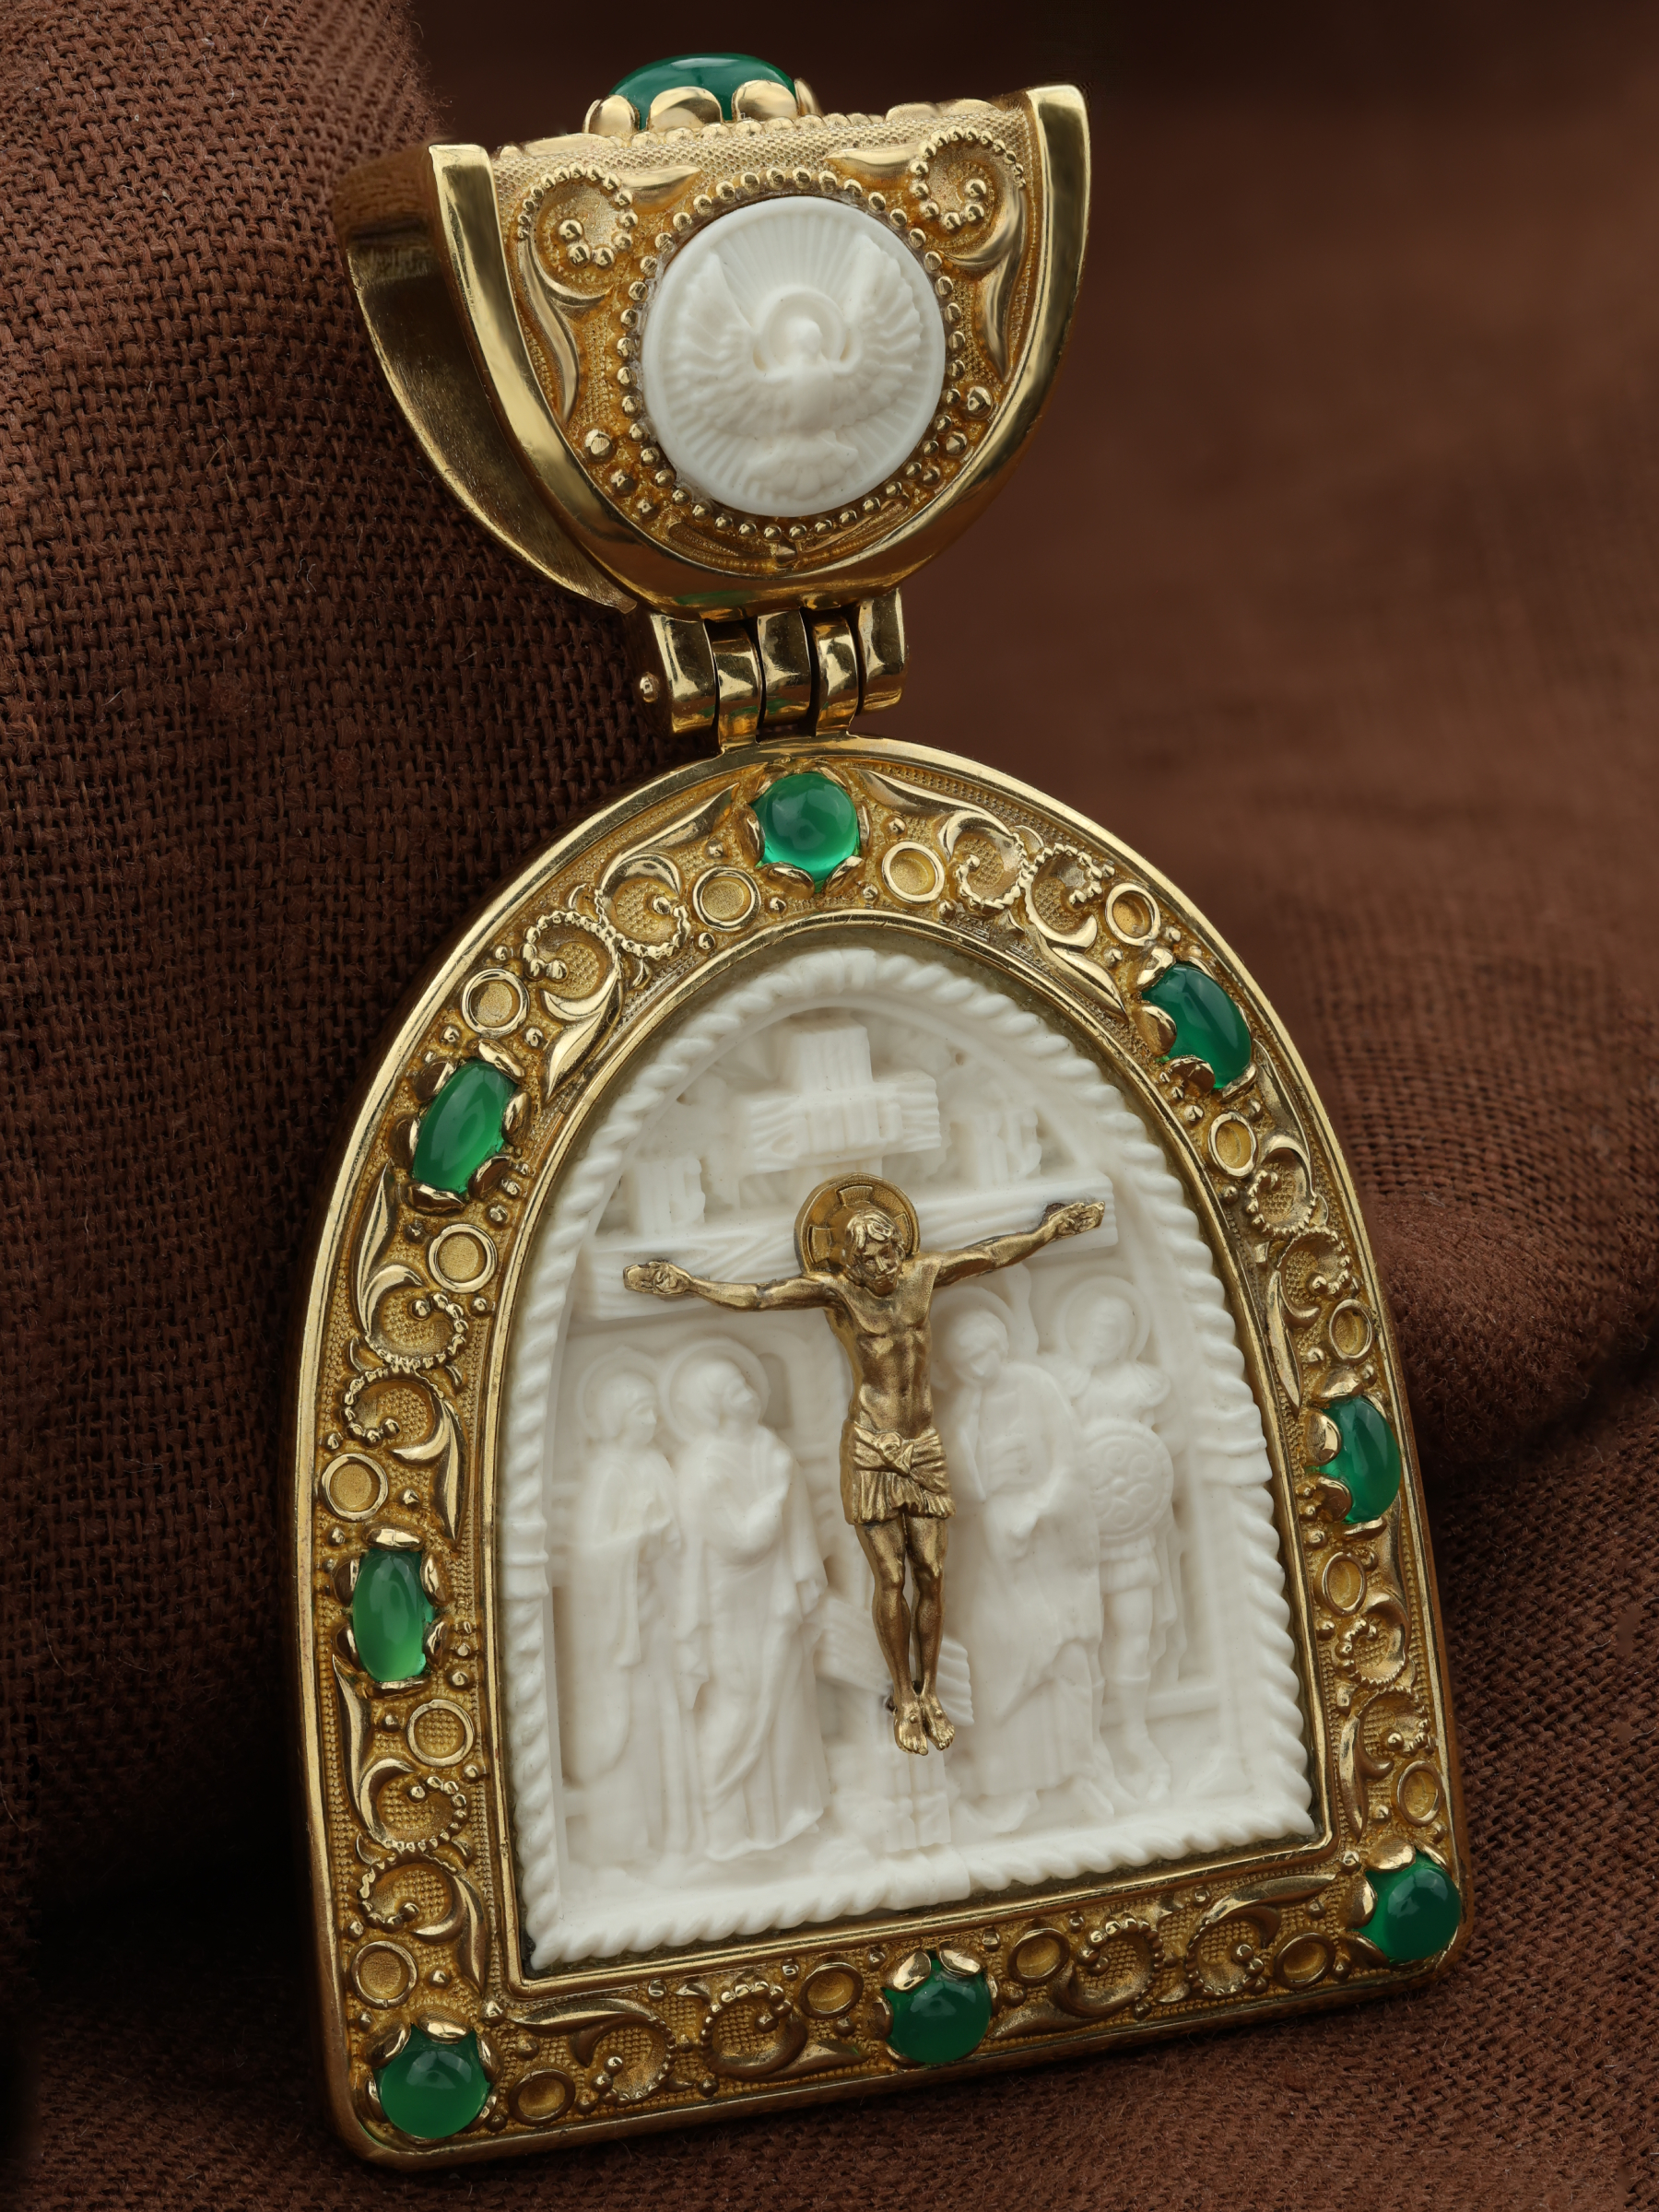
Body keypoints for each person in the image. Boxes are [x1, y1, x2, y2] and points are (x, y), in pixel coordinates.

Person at [626, 1175, 1105, 1754]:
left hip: (922, 1444)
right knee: (892, 1578)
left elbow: (992, 1253)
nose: (881, 1264)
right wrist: (688, 1284)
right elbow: (759, 1296)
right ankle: (903, 1695)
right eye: (868, 1256)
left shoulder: (923, 1276)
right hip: (874, 1449)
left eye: (887, 1251)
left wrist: (1051, 1230)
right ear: (850, 1261)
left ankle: (930, 1692)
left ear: (900, 1246)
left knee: (932, 1573)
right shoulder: (840, 1295)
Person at [935, 1305, 1110, 1829]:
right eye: (965, 1361)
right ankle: (1009, 1787)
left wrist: (1037, 1508)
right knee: (996, 1658)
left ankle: (1077, 1775)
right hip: (990, 1552)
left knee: (1065, 1654)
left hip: (1047, 1542)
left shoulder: (1037, 1387)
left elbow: (1070, 1462)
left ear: (1001, 1345)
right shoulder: (958, 1408)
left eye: (983, 1353)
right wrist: (982, 1479)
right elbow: (949, 1486)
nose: (978, 1367)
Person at [670, 1349, 829, 1862]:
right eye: (734, 1390)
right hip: (730, 1603)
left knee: (786, 1701)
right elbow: (741, 1541)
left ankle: (789, 1816)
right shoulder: (702, 1465)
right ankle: (722, 1821)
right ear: (713, 1406)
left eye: (746, 1383)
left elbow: (795, 1529)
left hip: (775, 1596)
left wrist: (795, 1583)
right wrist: (777, 1491)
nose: (748, 1395)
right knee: (739, 1703)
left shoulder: (769, 1446)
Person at [557, 1365, 694, 1869]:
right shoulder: (607, 1472)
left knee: (668, 1723)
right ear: (616, 1418)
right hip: (625, 1628)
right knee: (635, 1730)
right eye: (641, 1411)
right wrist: (638, 1536)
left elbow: (679, 1533)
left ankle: (676, 1833)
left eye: (654, 1409)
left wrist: (667, 1537)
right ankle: (631, 1843)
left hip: (659, 1614)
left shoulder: (656, 1462)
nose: (653, 1419)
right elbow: (589, 1554)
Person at [1049, 1283, 1177, 1796]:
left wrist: (1150, 1470)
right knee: (1084, 1638)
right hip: (1074, 1537)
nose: (1101, 1338)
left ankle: (1133, 1732)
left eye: (1112, 1330)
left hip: (1131, 1531)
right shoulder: (1060, 1382)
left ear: (1126, 1337)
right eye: (1094, 1328)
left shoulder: (1144, 1387)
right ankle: (1090, 1739)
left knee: (1134, 1629)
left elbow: (1167, 1447)